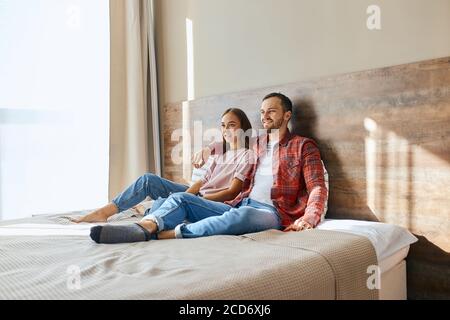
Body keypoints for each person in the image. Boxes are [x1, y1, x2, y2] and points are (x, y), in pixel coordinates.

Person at [73, 108, 256, 243]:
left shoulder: (248, 155)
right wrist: (191, 194)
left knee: (168, 202)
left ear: (243, 128)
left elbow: (233, 191)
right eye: (223, 126)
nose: (226, 130)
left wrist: (196, 197)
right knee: (148, 180)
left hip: (213, 201)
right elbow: (201, 181)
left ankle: (148, 221)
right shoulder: (219, 154)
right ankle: (104, 212)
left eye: (232, 125)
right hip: (198, 195)